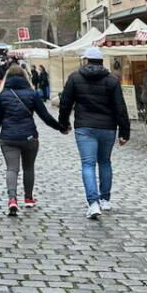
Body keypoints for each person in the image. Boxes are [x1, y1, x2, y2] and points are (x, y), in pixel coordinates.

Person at [58, 46, 129, 219]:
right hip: (107, 127)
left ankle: (93, 203)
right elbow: (120, 107)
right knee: (105, 162)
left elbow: (65, 103)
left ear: (86, 60)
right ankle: (105, 199)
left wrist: (63, 123)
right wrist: (124, 132)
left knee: (88, 164)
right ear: (102, 61)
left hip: (85, 127)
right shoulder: (112, 80)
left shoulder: (75, 78)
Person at [0, 64, 66, 215]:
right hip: (29, 137)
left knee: (12, 168)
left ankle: (12, 199)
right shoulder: (32, 94)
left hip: (8, 137)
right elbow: (45, 116)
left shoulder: (2, 95)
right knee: (29, 168)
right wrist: (60, 127)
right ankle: (29, 198)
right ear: (25, 77)